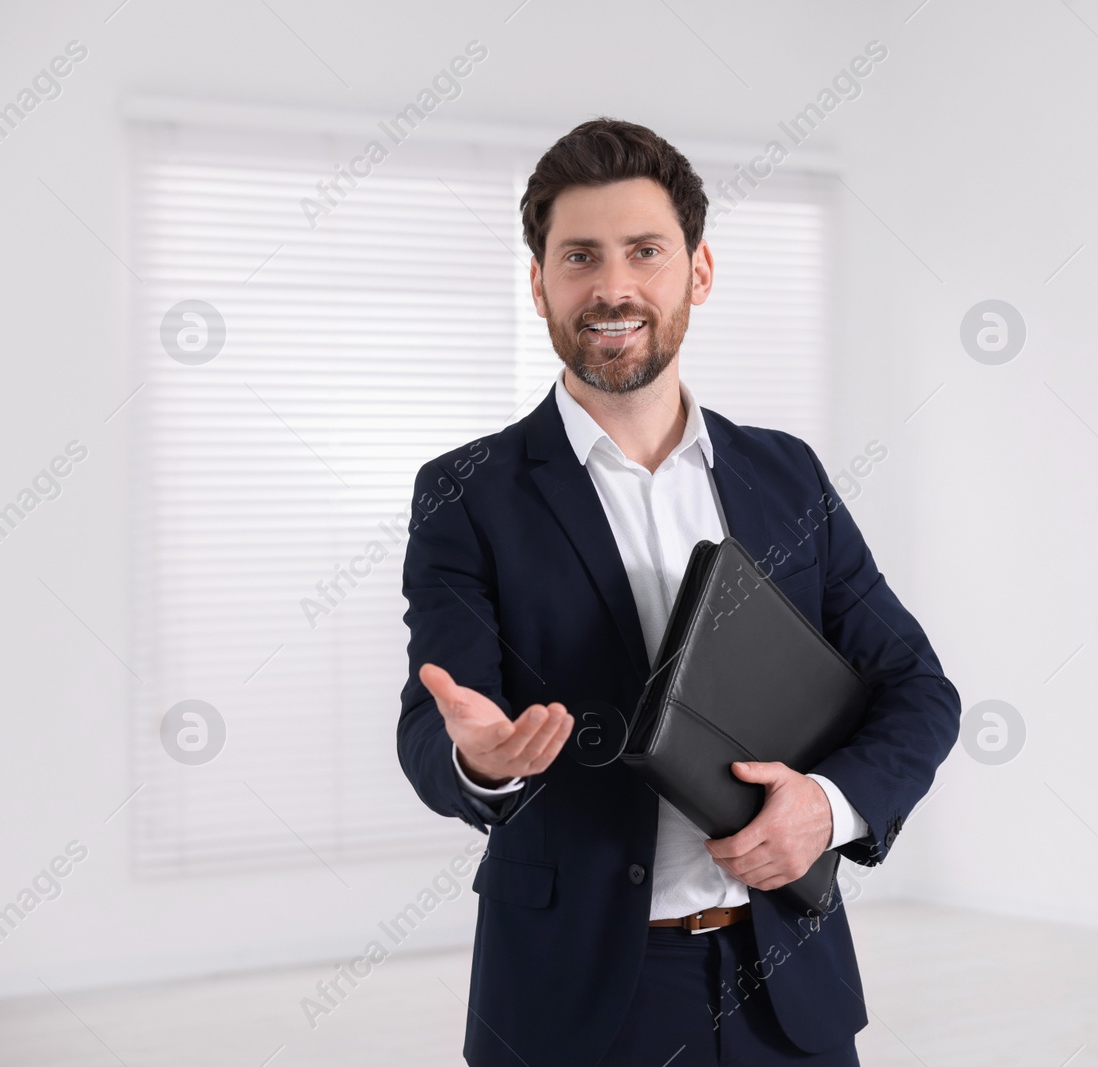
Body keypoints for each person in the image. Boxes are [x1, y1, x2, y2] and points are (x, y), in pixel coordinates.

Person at [396, 117, 960, 1066]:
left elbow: (918, 690)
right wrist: (484, 762)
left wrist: (828, 805)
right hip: (576, 1002)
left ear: (698, 272)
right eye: (579, 257)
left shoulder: (789, 477)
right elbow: (429, 724)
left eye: (644, 252)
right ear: (539, 283)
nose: (612, 287)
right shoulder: (465, 493)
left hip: (786, 983)